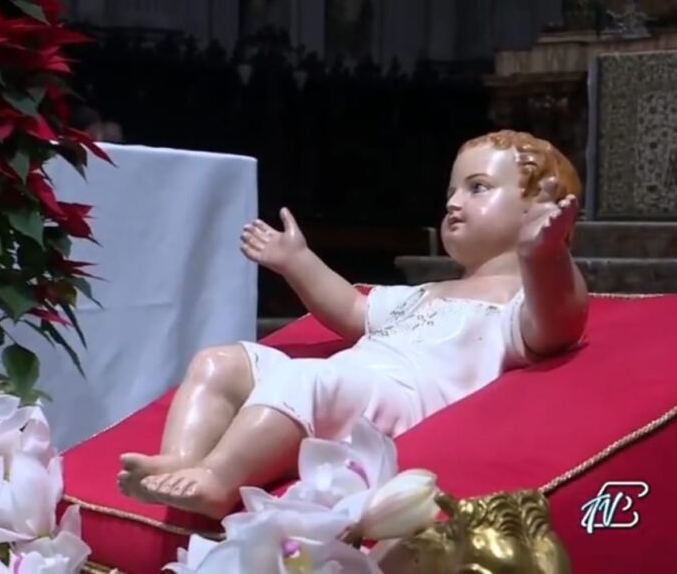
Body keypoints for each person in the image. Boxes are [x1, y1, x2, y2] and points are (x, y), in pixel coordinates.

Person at [117, 130, 589, 519]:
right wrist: (296, 261)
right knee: (222, 360)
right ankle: (182, 457)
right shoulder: (426, 292)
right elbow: (351, 310)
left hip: (398, 402)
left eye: (477, 187)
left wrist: (545, 256)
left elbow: (559, 322)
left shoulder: (518, 302)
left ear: (538, 206)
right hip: (347, 382)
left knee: (310, 379)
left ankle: (219, 480)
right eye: (451, 192)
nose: (453, 203)